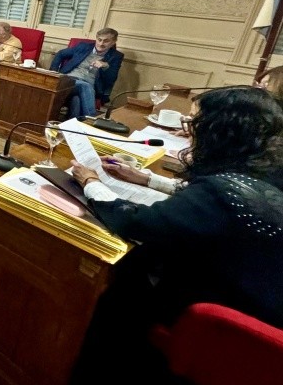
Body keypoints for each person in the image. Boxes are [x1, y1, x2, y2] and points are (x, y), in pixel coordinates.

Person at [68, 87, 283, 383]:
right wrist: (147, 179)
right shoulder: (261, 174)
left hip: (226, 324)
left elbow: (135, 222)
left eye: (193, 122)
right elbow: (214, 196)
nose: (188, 130)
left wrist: (91, 181)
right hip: (262, 302)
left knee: (125, 274)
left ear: (217, 131)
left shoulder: (218, 194)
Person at [50, 28, 123, 118]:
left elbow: (111, 79)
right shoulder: (83, 47)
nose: (101, 43)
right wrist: (53, 72)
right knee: (85, 86)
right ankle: (91, 120)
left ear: (113, 42)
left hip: (90, 88)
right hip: (69, 81)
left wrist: (105, 66)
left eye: (106, 41)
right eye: (99, 40)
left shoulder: (116, 56)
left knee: (76, 100)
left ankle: (74, 124)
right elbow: (60, 54)